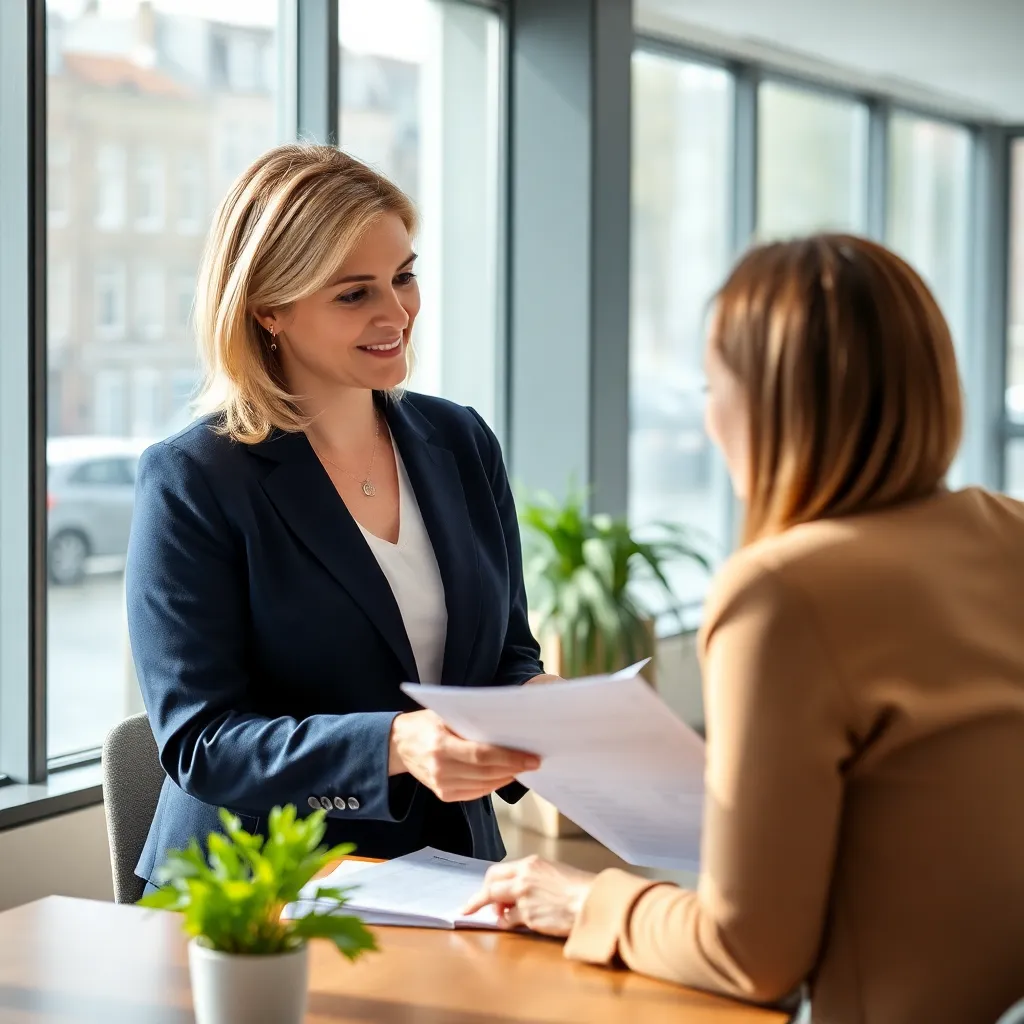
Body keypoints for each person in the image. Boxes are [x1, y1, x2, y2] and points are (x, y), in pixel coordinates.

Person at [463, 235, 1024, 1024]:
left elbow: (750, 953)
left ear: (766, 405)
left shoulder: (783, 593)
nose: (707, 418)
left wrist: (586, 900)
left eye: (711, 387)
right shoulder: (1008, 529)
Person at [127, 144, 557, 893]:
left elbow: (505, 652)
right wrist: (396, 744)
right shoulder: (194, 479)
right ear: (269, 309)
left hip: (452, 870)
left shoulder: (460, 441)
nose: (397, 314)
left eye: (404, 277)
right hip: (261, 892)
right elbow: (203, 742)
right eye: (354, 294)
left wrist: (542, 703)